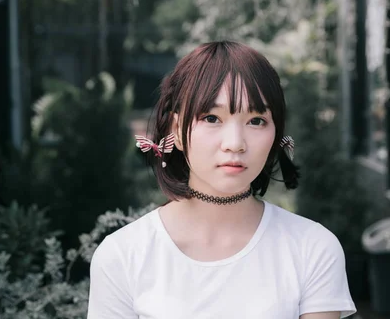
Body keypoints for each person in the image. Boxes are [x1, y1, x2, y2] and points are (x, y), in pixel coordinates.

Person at [87, 41, 357, 319]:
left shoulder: (312, 248)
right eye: (212, 118)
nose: (235, 143)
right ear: (176, 130)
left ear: (276, 134)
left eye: (256, 121)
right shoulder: (123, 255)